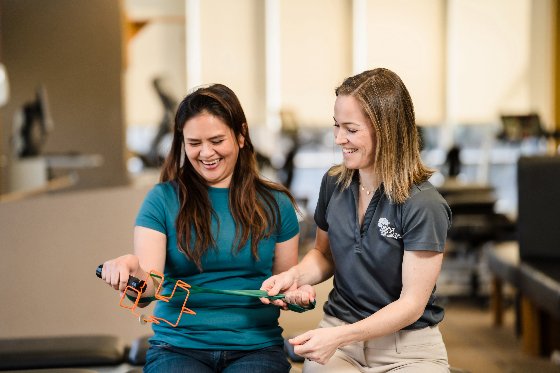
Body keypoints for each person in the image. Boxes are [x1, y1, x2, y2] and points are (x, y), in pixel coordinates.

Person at [261, 68, 452, 372]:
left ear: (385, 130)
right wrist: (294, 276)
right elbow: (323, 255)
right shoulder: (334, 183)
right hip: (341, 338)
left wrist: (337, 337)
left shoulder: (423, 204)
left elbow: (411, 305)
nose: (339, 139)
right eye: (337, 126)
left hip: (407, 349)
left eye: (350, 129)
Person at [99, 83, 300, 373]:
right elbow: (147, 291)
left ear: (241, 135)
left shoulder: (276, 203)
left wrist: (294, 295)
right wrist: (132, 272)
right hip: (178, 346)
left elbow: (286, 289)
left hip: (255, 347)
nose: (206, 153)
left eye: (217, 140)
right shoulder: (162, 200)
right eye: (194, 143)